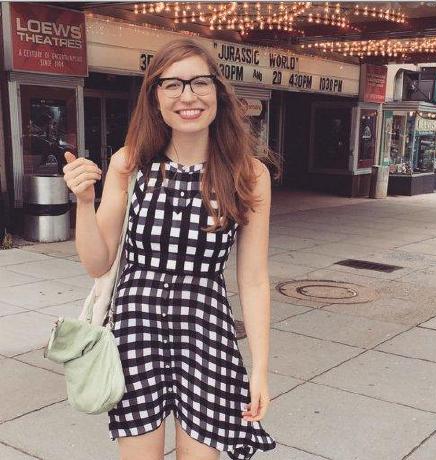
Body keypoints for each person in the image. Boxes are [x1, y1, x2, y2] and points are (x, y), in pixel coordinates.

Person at [62, 37, 279, 460]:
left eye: (199, 82)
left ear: (218, 90)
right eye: (173, 84)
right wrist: (85, 204)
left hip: (206, 331)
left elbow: (253, 280)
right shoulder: (129, 163)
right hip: (135, 329)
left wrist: (260, 369)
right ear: (155, 95)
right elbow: (97, 262)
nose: (188, 96)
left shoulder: (249, 174)